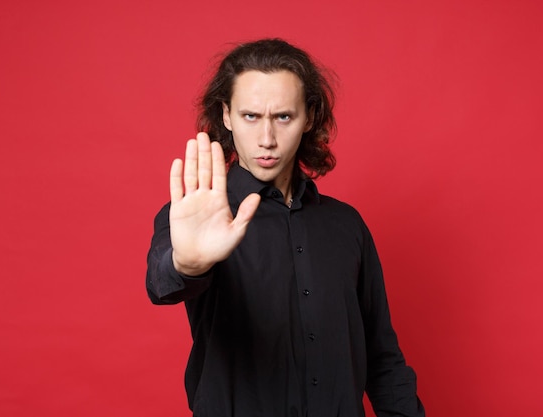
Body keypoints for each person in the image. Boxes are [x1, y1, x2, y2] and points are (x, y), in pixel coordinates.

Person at [146, 38, 425, 417]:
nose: (267, 139)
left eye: (283, 117)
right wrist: (188, 264)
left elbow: (382, 357)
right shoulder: (198, 216)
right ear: (226, 115)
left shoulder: (347, 225)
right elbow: (162, 281)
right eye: (250, 116)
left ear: (308, 117)